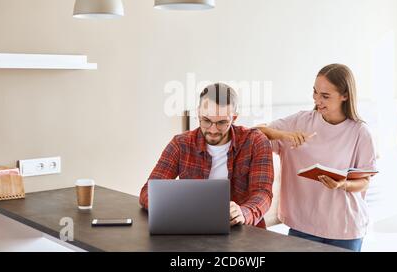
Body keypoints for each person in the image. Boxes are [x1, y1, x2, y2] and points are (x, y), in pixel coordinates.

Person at [257, 64, 376, 251]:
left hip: (345, 228)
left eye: (325, 96)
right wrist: (283, 135)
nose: (317, 100)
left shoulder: (360, 132)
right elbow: (254, 134)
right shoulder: (300, 121)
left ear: (345, 95)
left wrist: (342, 184)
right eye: (315, 92)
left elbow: (364, 181)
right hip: (303, 225)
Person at [140, 83, 274, 228]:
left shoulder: (256, 141)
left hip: (244, 233)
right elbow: (148, 192)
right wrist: (177, 209)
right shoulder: (181, 144)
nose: (213, 129)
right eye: (206, 120)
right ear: (198, 113)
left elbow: (263, 192)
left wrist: (244, 212)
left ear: (234, 117)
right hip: (193, 230)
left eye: (222, 122)